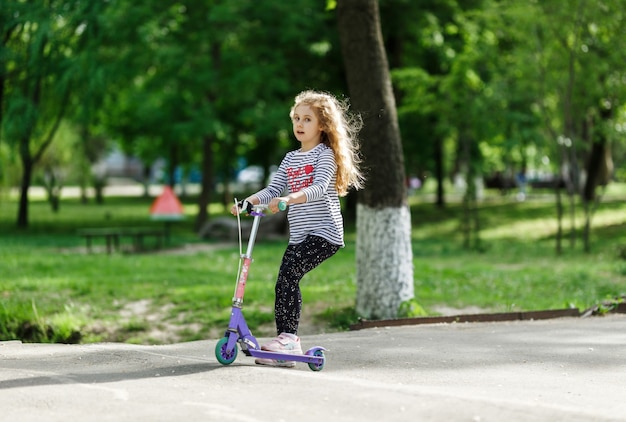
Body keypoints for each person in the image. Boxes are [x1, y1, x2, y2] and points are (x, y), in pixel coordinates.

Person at [230, 90, 364, 367]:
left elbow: (317, 188)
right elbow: (274, 188)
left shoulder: (324, 155)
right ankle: (286, 344)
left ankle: (289, 339)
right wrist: (247, 202)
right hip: (301, 234)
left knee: (289, 274)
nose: (299, 125)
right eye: (296, 119)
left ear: (323, 125)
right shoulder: (290, 159)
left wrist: (290, 199)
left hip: (325, 233)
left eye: (307, 119)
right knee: (284, 281)